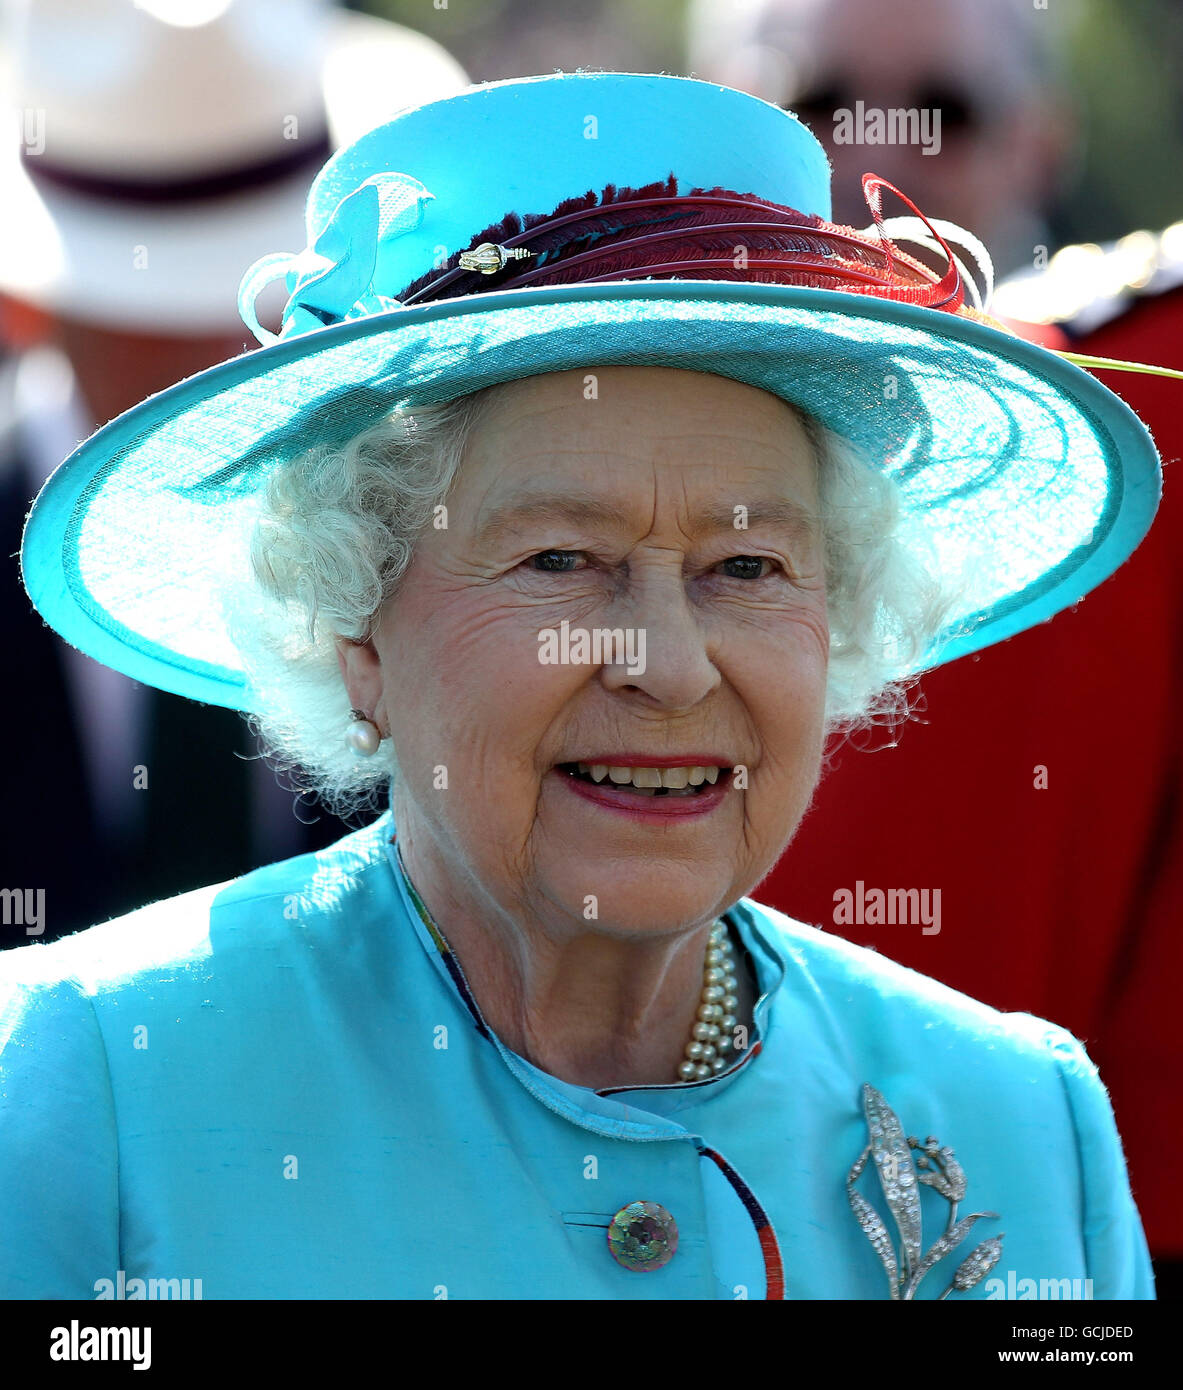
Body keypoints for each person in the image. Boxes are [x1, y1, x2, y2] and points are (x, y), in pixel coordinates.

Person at [0, 71, 1157, 1299]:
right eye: (562, 560)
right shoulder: (82, 1082)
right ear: (356, 627)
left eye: (747, 564)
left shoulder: (1026, 1125)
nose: (665, 666)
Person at [0, 0, 469, 939]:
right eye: (152, 315)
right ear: (24, 306)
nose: (235, 351)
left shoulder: (432, 542)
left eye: (282, 305)